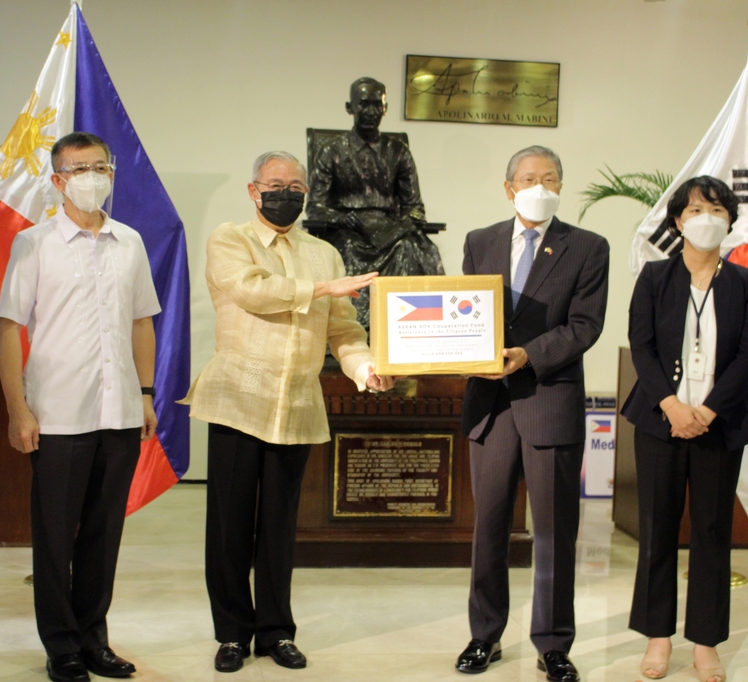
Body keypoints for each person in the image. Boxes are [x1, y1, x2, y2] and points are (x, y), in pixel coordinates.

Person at [182, 151, 393, 673]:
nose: (287, 192)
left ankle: (276, 631)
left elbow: (344, 330)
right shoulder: (231, 239)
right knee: (230, 526)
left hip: (297, 404)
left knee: (278, 528)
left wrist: (366, 370)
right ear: (254, 191)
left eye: (296, 185)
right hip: (238, 400)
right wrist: (322, 290)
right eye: (276, 184)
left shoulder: (324, 253)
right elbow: (253, 292)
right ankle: (232, 633)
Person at [0, 132, 160, 682]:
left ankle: (94, 638)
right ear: (58, 179)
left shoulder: (129, 242)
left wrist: (145, 394)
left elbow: (142, 322)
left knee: (103, 532)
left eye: (100, 167)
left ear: (112, 174)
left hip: (118, 412)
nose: (92, 176)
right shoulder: (34, 243)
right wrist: (19, 410)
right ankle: (61, 645)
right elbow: (9, 327)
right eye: (79, 168)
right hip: (59, 413)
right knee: (55, 534)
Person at [456, 145, 609, 682]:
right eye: (527, 178)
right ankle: (484, 636)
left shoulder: (588, 247)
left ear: (560, 187)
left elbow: (586, 326)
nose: (537, 186)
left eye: (547, 178)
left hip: (550, 399)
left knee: (552, 532)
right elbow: (465, 314)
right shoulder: (480, 242)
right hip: (490, 408)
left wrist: (527, 355)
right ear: (509, 188)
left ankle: (553, 643)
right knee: (489, 527)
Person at [622, 176, 748, 682]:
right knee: (657, 529)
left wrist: (706, 411)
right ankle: (658, 638)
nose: (707, 217)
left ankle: (705, 643)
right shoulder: (655, 277)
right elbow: (641, 345)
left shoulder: (746, 283)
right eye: (696, 209)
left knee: (710, 532)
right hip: (660, 421)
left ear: (729, 219)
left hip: (720, 424)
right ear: (678, 220)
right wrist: (670, 404)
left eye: (717, 209)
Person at [306, 76, 444, 330]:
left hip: (392, 232)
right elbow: (315, 206)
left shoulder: (398, 151)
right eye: (363, 104)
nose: (370, 112)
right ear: (350, 108)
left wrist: (398, 227)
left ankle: (409, 329)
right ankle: (351, 330)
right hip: (347, 232)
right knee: (346, 249)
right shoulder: (331, 151)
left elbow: (414, 204)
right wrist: (341, 218)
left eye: (376, 105)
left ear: (385, 108)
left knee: (412, 250)